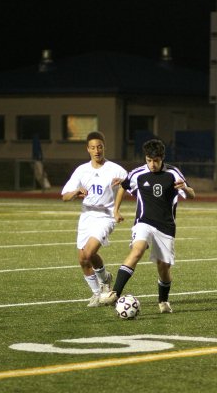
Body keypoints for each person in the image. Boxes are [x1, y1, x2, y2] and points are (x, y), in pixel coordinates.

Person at [100, 138, 195, 313]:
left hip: (166, 226)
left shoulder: (173, 173)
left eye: (156, 161)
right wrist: (116, 210)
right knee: (137, 250)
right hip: (144, 222)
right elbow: (123, 186)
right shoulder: (138, 173)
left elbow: (191, 195)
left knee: (163, 267)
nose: (152, 164)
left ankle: (163, 301)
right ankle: (115, 293)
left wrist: (187, 189)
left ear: (162, 158)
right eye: (149, 160)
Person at [61, 131, 127, 307]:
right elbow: (64, 196)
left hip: (106, 216)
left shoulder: (115, 169)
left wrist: (123, 183)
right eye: (93, 147)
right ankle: (97, 293)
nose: (97, 150)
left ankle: (105, 279)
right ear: (87, 149)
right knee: (83, 259)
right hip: (87, 215)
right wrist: (75, 192)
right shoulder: (81, 170)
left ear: (104, 147)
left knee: (89, 252)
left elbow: (134, 184)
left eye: (99, 147)